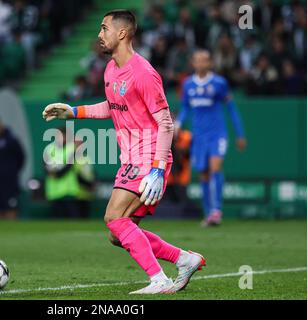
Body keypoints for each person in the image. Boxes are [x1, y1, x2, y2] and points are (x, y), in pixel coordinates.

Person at [42, 10, 205, 294]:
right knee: (119, 234)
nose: (99, 34)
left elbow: (166, 122)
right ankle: (184, 259)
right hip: (132, 159)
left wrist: (156, 168)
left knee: (114, 218)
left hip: (148, 157)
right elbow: (112, 106)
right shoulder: (111, 69)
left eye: (104, 28)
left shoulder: (143, 72)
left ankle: (159, 279)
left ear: (122, 33)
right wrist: (73, 112)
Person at [175, 50, 247, 227]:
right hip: (198, 136)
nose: (201, 64)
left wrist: (240, 134)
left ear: (210, 63)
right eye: (197, 60)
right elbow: (185, 108)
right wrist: (177, 124)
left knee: (215, 167)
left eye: (204, 60)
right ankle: (209, 214)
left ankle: (217, 210)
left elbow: (231, 108)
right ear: (193, 63)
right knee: (204, 173)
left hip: (217, 134)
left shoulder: (219, 83)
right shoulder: (188, 85)